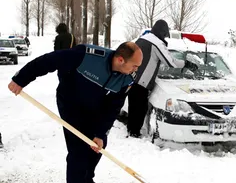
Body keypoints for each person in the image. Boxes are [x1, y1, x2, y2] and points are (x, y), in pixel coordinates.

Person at [7, 41, 143, 183]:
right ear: (120, 60)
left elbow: (113, 107)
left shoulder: (127, 78)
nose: (136, 70)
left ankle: (86, 178)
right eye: (135, 65)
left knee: (97, 147)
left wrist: (100, 134)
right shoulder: (87, 56)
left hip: (95, 107)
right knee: (78, 150)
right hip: (70, 103)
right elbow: (49, 61)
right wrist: (20, 78)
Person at [126, 19, 199, 138]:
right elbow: (171, 62)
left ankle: (131, 130)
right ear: (162, 32)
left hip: (132, 77)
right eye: (165, 34)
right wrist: (186, 64)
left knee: (133, 106)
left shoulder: (142, 39)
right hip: (142, 82)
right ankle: (134, 133)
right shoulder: (156, 43)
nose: (165, 37)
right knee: (140, 108)